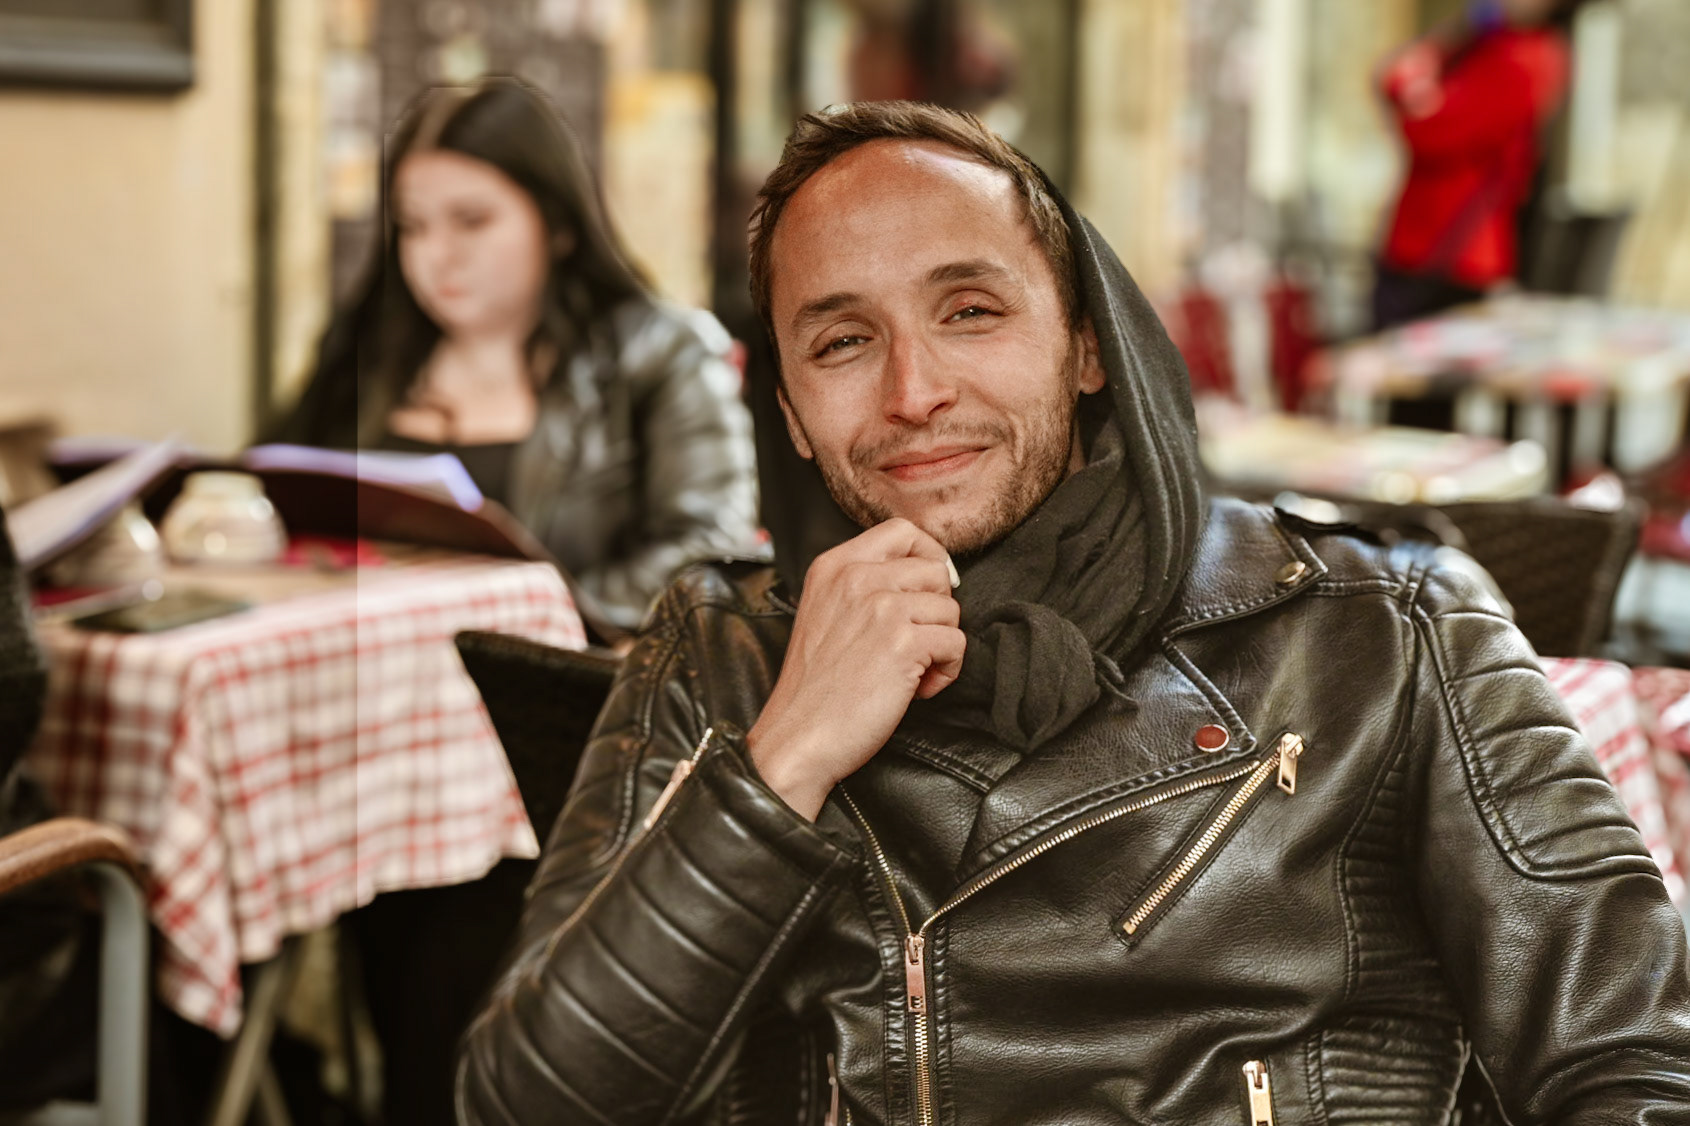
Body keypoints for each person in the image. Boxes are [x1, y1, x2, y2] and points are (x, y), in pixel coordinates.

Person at [456, 102, 1690, 1125]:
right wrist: (782, 759)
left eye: (970, 311)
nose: (915, 392)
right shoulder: (720, 653)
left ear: (1087, 346)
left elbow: (1635, 1066)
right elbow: (525, 1104)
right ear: (786, 412)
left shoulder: (1384, 628)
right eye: (841, 342)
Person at [273, 76, 760, 636]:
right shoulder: (368, 350)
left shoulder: (661, 352)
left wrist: (530, 626)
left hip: (566, 694)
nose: (438, 255)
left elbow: (713, 552)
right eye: (413, 225)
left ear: (557, 225)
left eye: (472, 221)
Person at [1372, 0, 1588, 330]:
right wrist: (1460, 29)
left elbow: (1429, 130)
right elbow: (1394, 75)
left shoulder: (1528, 56)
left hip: (1452, 254)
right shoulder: (1490, 43)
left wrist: (1411, 82)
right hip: (1422, 244)